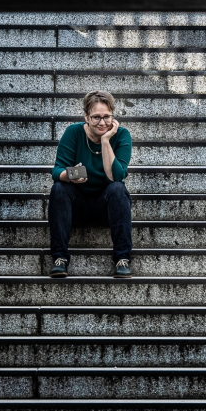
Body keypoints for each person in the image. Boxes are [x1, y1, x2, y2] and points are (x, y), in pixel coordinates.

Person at [48, 90, 133, 278]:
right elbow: (56, 171)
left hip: (108, 206)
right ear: (86, 116)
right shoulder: (74, 132)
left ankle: (122, 259)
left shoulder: (122, 135)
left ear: (113, 116)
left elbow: (116, 176)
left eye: (106, 117)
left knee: (118, 189)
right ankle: (59, 258)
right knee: (59, 188)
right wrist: (70, 176)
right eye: (96, 117)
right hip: (76, 207)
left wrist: (105, 140)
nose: (102, 123)